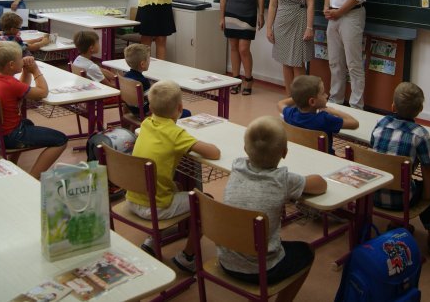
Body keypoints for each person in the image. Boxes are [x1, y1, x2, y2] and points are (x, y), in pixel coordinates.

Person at [218, 116, 325, 301]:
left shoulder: (237, 166)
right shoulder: (282, 179)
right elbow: (320, 185)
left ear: (245, 149)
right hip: (261, 269)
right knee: (307, 251)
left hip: (225, 260)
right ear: (285, 152)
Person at [124, 80, 221, 272]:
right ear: (180, 109)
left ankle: (153, 241)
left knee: (178, 185)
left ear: (151, 108)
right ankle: (187, 257)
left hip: (132, 198)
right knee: (205, 201)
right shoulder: (176, 134)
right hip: (153, 207)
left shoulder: (146, 123)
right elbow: (214, 153)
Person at [371, 82, 430, 256]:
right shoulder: (420, 133)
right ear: (420, 110)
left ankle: (395, 224)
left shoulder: (380, 124)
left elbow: (375, 152)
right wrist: (426, 197)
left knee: (395, 174)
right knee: (429, 191)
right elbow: (427, 167)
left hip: (370, 193)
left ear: (393, 106)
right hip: (401, 201)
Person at [0, 41, 67, 178]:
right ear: (11, 65)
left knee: (28, 123)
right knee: (60, 139)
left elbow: (21, 89)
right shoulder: (10, 84)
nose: (23, 60)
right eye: (20, 58)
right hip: (9, 136)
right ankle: (33, 178)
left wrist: (26, 71)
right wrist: (35, 70)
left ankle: (13, 164)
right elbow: (42, 92)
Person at [267, 0, 315, 95]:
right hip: (281, 23)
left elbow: (311, 4)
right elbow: (273, 5)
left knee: (298, 63)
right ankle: (289, 97)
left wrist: (309, 27)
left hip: (299, 21)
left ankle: (300, 99)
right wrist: (269, 27)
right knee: (286, 62)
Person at [219, 0, 264, 96]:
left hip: (248, 14)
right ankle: (236, 79)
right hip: (231, 14)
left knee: (243, 49)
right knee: (233, 47)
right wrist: (222, 17)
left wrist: (261, 14)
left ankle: (249, 79)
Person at [277, 75, 358, 155]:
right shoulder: (324, 119)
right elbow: (354, 123)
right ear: (312, 101)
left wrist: (299, 96)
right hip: (325, 158)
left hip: (301, 155)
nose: (326, 95)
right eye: (323, 93)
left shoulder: (291, 114)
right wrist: (334, 111)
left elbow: (280, 103)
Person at [122, 43, 191, 118]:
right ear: (142, 64)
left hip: (134, 111)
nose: (149, 61)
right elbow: (153, 101)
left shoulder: (125, 76)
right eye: (149, 59)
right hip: (147, 113)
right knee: (186, 113)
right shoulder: (142, 81)